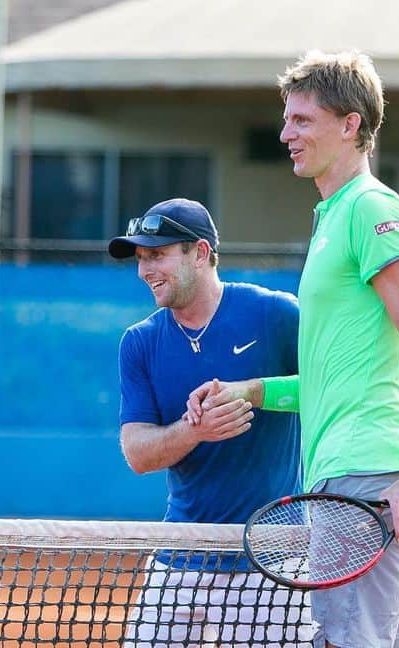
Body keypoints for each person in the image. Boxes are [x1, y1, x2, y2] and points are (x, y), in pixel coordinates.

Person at [186, 50, 399, 648]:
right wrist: (247, 390)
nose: (285, 134)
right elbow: (332, 382)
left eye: (302, 120)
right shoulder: (334, 217)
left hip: (363, 480)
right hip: (351, 477)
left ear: (350, 124)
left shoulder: (372, 209)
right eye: (287, 119)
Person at [109, 197, 312, 646]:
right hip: (182, 553)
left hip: (273, 555)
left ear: (200, 253)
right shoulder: (139, 343)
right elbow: (138, 454)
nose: (145, 271)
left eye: (157, 255)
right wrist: (194, 430)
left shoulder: (276, 315)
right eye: (141, 259)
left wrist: (255, 391)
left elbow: (337, 388)